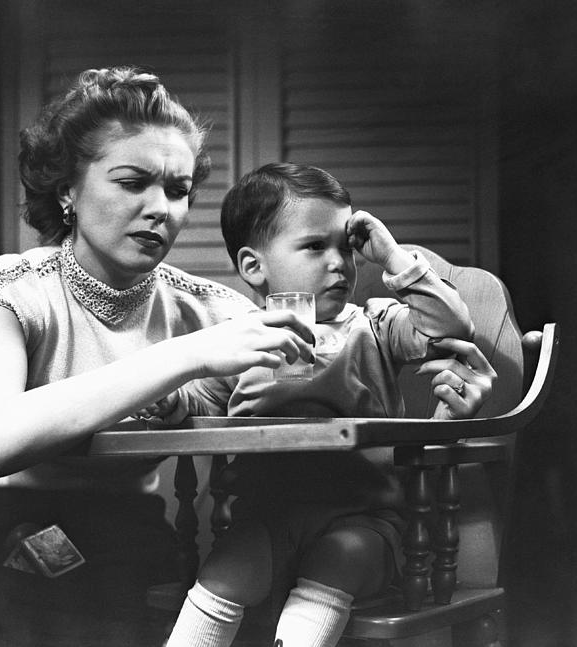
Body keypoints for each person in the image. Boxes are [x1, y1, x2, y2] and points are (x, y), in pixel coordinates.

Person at [0, 67, 319, 647]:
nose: (161, 208)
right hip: (5, 536)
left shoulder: (209, 309)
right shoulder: (9, 287)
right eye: (132, 182)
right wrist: (186, 357)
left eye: (178, 189)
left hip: (132, 544)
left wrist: (436, 357)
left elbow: (320, 380)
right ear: (67, 189)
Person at [159, 163, 496, 647]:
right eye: (317, 246)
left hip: (364, 520)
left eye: (347, 246)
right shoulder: (241, 344)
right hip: (267, 521)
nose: (340, 262)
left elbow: (450, 327)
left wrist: (392, 257)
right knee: (226, 569)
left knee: (341, 556)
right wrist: (171, 403)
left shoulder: (377, 326)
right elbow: (201, 403)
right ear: (254, 267)